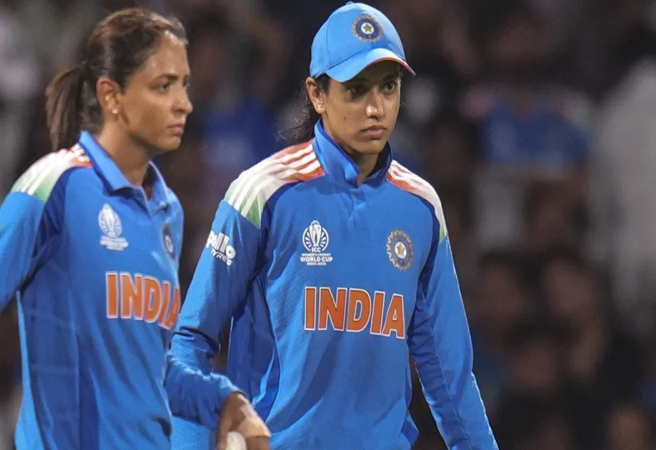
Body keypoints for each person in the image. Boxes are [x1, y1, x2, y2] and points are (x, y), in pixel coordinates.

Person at [0, 8, 269, 450]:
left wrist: (224, 400)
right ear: (112, 96)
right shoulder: (54, 187)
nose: (184, 103)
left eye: (183, 84)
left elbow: (152, 368)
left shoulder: (166, 210)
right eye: (163, 86)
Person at [170, 3, 498, 449]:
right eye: (356, 89)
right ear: (317, 94)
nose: (376, 107)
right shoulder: (262, 193)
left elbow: (450, 376)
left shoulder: (420, 206)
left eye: (388, 86)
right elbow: (191, 340)